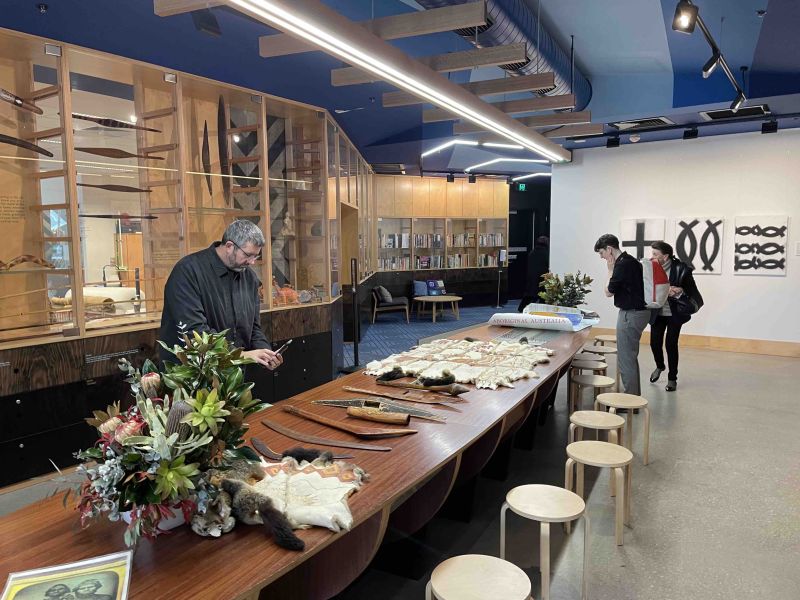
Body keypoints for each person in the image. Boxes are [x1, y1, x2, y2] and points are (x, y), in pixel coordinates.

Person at [159, 220, 283, 370]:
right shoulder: (188, 271)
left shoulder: (249, 278)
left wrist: (265, 353)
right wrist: (241, 355)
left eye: (255, 256)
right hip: (191, 375)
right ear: (229, 246)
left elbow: (253, 328)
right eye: (248, 255)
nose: (251, 262)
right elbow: (195, 332)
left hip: (232, 377)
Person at [594, 233, 649, 396]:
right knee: (630, 356)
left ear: (609, 249)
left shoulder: (622, 265)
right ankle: (633, 395)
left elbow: (608, 292)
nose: (601, 257)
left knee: (626, 358)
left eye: (601, 253)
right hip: (639, 313)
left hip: (630, 315)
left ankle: (630, 400)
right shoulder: (631, 261)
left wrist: (610, 270)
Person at [648, 241, 701, 392]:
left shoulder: (681, 269)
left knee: (671, 345)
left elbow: (692, 291)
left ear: (665, 256)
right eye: (652, 254)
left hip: (675, 312)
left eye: (655, 254)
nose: (652, 257)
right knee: (654, 343)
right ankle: (660, 366)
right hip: (657, 312)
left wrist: (680, 291)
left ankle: (672, 378)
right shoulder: (650, 268)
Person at [517, 235, 550, 312]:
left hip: (531, 277)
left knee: (530, 294)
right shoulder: (547, 253)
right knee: (543, 296)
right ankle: (542, 310)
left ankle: (522, 308)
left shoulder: (532, 252)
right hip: (542, 278)